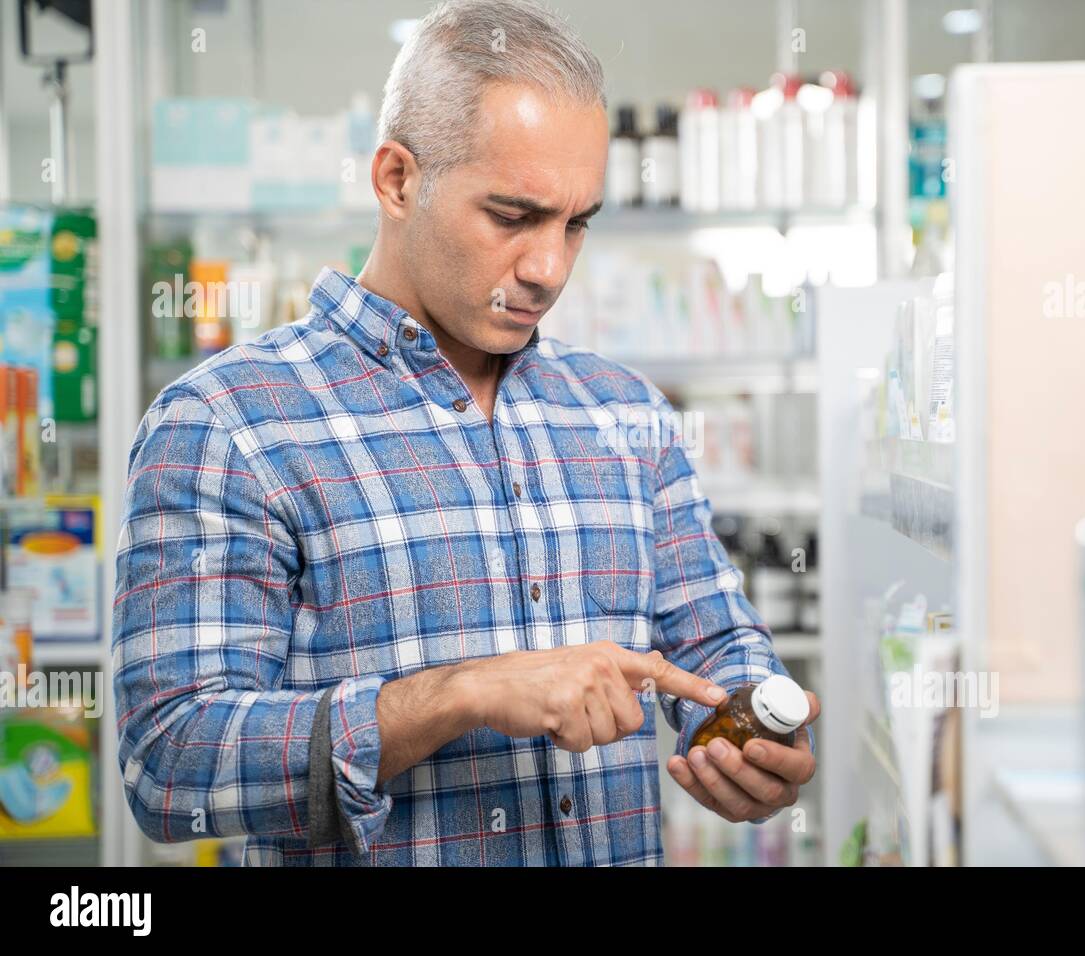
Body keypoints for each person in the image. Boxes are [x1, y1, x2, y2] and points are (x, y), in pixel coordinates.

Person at [113, 0, 817, 866]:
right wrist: (461, 695)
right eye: (514, 216)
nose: (549, 268)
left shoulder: (624, 411)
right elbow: (169, 765)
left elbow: (714, 643)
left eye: (576, 224)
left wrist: (751, 725)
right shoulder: (229, 424)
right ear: (397, 180)